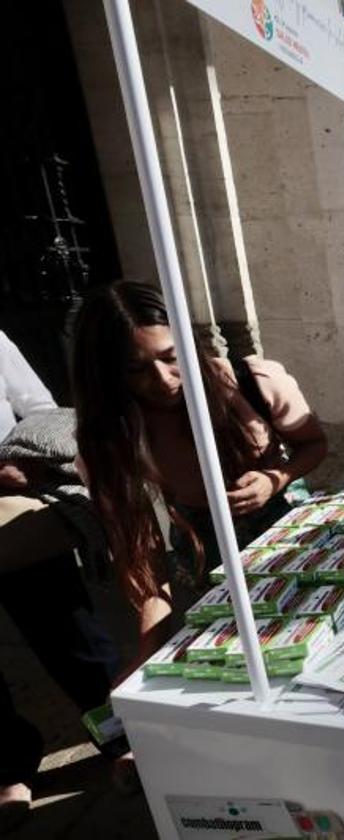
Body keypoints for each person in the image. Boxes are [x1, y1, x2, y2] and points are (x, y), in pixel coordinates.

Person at [72, 281, 328, 664]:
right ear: (108, 374)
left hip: (292, 539)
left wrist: (276, 479)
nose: (162, 379)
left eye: (171, 357)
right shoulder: (111, 438)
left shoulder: (251, 381)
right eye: (136, 369)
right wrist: (147, 655)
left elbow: (315, 445)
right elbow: (143, 560)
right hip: (207, 558)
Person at [0, 331, 127, 829]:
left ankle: (122, 734)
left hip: (9, 511)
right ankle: (8, 761)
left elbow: (38, 407)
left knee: (69, 630)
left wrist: (23, 458)